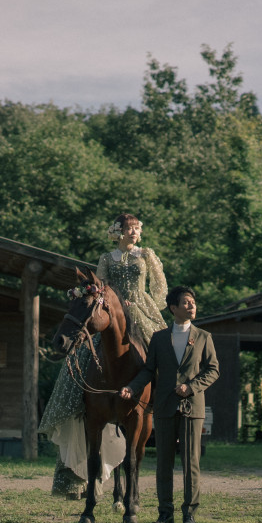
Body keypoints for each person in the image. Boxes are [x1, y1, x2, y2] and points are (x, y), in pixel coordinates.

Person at [39, 213, 167, 497]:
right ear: (118, 232)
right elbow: (100, 287)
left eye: (136, 228)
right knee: (84, 354)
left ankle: (169, 402)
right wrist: (112, 302)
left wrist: (146, 304)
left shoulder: (147, 256)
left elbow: (160, 290)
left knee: (163, 357)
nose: (134, 232)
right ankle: (76, 402)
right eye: (129, 229)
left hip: (141, 311)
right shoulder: (107, 258)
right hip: (110, 312)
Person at [120, 285, 220, 523]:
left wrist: (192, 387)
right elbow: (147, 370)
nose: (191, 306)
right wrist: (131, 388)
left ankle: (189, 514)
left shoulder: (204, 337)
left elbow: (213, 370)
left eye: (193, 302)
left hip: (192, 409)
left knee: (190, 463)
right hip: (164, 407)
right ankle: (165, 514)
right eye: (186, 302)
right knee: (163, 463)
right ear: (173, 308)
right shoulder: (159, 338)